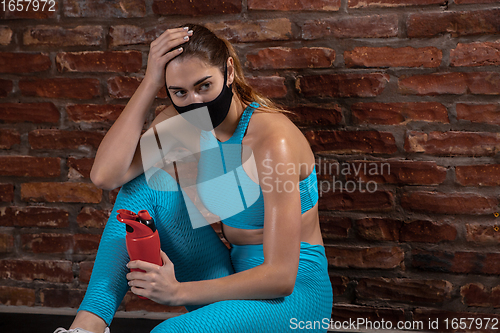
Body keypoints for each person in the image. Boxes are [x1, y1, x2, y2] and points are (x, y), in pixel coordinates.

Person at [54, 23, 333, 333]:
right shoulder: (187, 123)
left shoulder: (272, 141)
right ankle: (88, 326)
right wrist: (149, 82)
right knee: (145, 184)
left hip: (293, 299)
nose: (195, 102)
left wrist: (178, 292)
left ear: (228, 72)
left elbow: (281, 277)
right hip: (234, 280)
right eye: (180, 92)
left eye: (204, 86)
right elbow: (107, 175)